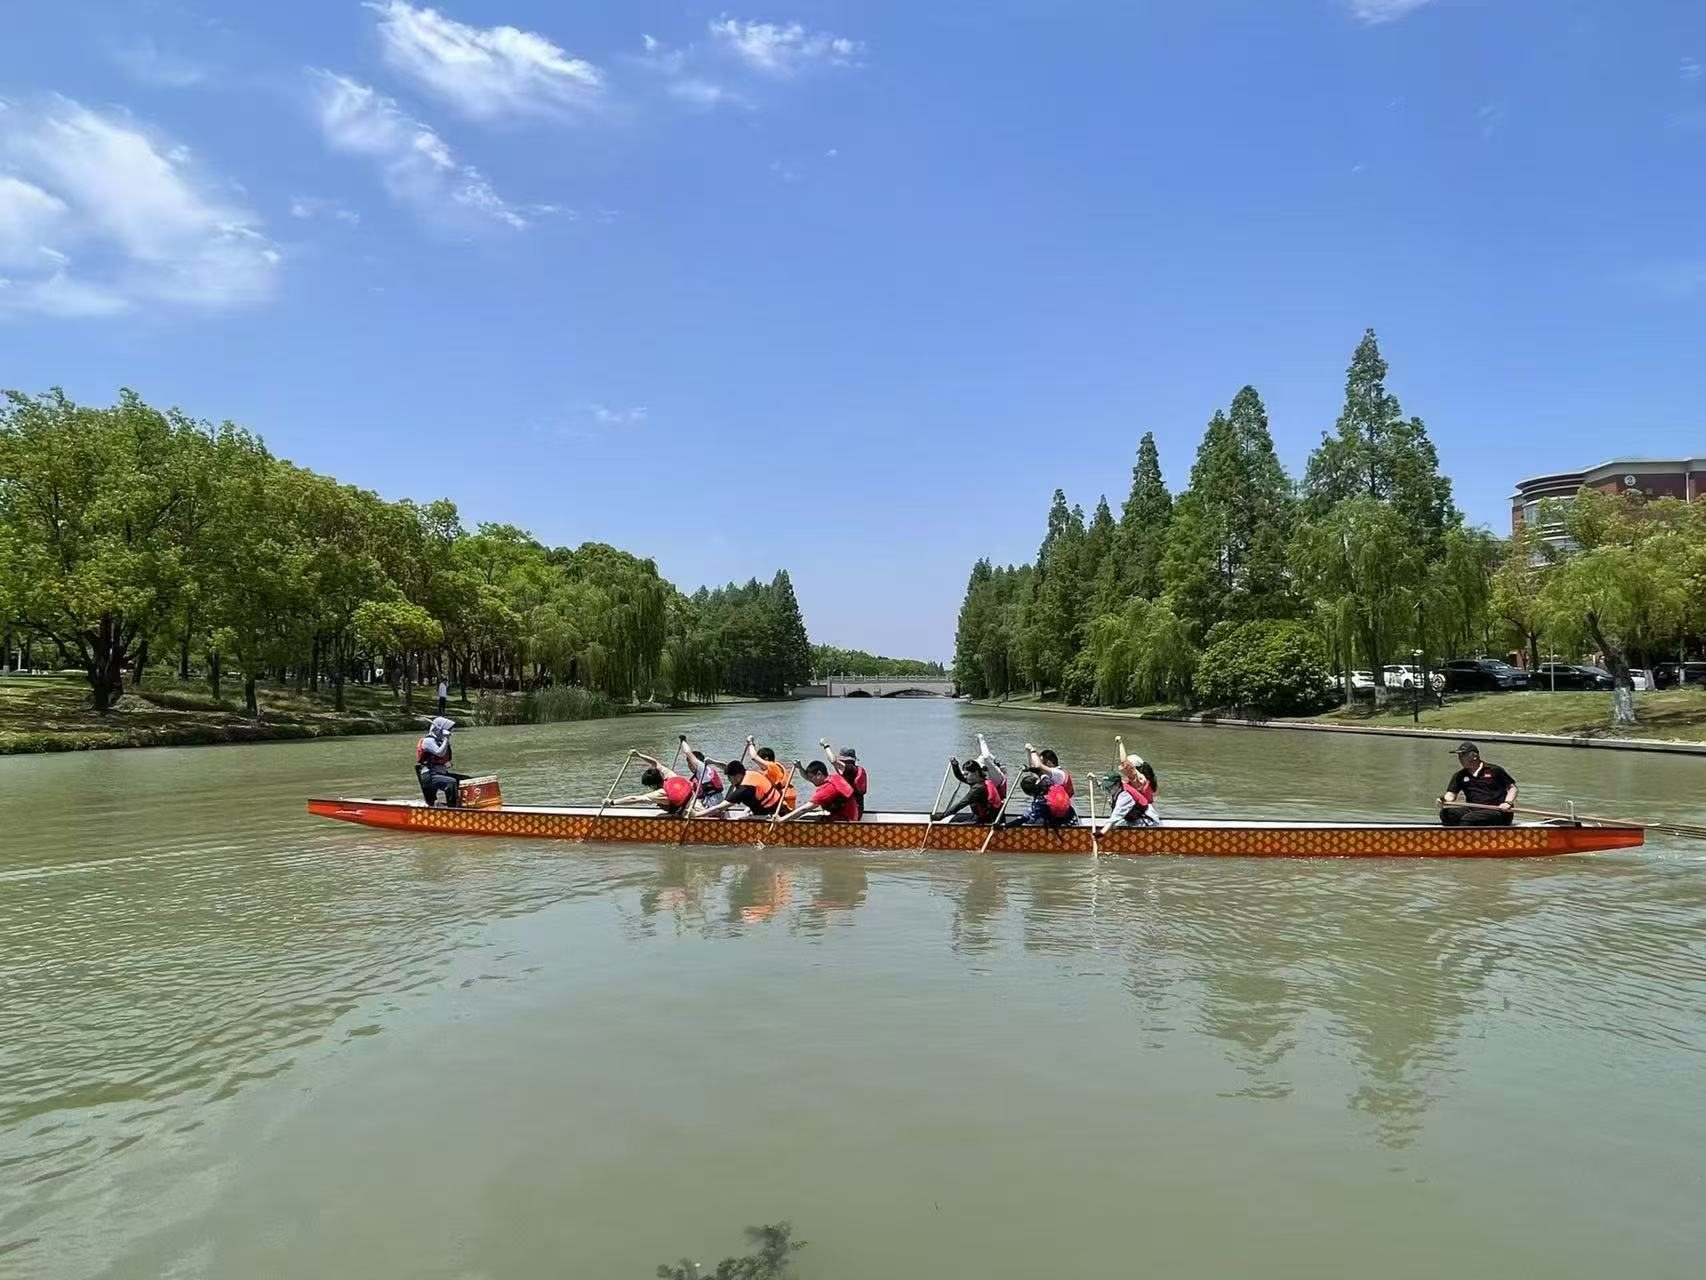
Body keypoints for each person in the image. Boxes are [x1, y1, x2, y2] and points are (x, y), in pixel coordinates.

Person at [1439, 741, 1518, 826]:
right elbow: (1450, 795)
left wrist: (1507, 803)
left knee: (1469, 819)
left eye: (1463, 755)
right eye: (1459, 756)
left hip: (1498, 811)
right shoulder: (1459, 775)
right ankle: (1452, 832)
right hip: (1473, 810)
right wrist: (1443, 799)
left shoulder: (1494, 770)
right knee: (1446, 814)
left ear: (1474, 756)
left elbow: (1513, 788)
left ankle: (1466, 832)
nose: (1460, 759)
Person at [934, 736, 1008, 824]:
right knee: (954, 818)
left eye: (967, 774)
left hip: (988, 821)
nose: (965, 777)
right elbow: (960, 777)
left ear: (976, 772)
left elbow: (961, 804)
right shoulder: (978, 781)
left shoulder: (978, 788)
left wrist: (942, 816)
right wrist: (955, 765)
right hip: (982, 816)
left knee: (953, 821)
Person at [775, 760, 860, 822]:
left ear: (819, 774)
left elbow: (804, 809)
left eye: (811, 777)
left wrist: (782, 819)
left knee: (803, 816)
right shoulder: (833, 777)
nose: (810, 780)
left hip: (845, 821)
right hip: (848, 816)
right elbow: (807, 777)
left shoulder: (828, 789)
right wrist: (800, 767)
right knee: (805, 816)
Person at [698, 760, 784, 818]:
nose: (729, 780)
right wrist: (712, 762)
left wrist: (697, 815)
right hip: (778, 807)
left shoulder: (744, 789)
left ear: (738, 776)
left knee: (741, 818)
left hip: (772, 815)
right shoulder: (747, 773)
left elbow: (719, 808)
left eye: (729, 778)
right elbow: (726, 767)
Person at [613, 766, 700, 817]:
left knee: (659, 817)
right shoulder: (672, 777)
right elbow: (656, 763)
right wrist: (639, 755)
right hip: (699, 806)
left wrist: (613, 802)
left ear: (653, 785)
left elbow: (635, 799)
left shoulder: (660, 793)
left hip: (692, 815)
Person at [416, 716, 461, 807]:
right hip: (430, 775)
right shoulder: (428, 741)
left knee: (464, 780)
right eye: (447, 729)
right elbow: (439, 753)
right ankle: (453, 808)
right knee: (451, 782)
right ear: (439, 730)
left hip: (440, 773)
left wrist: (445, 740)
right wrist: (446, 738)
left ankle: (466, 803)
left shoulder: (440, 741)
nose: (449, 732)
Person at [743, 737, 798, 812]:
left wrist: (751, 743)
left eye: (760, 759)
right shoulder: (772, 770)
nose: (758, 764)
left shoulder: (772, 766)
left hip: (783, 804)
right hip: (782, 801)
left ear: (766, 759)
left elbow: (754, 757)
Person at [822, 739, 869, 816]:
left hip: (852, 812)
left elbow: (833, 761)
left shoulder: (850, 770)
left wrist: (826, 746)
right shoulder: (852, 770)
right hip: (857, 810)